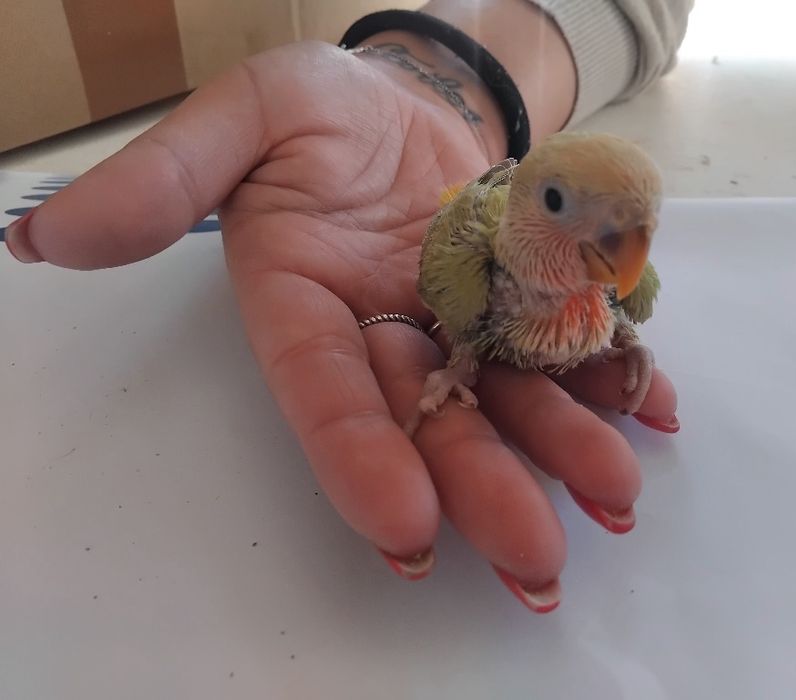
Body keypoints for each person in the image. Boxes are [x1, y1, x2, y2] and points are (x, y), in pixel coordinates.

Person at [4, 0, 692, 612]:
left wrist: (621, 329)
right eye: (556, 203)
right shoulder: (473, 271)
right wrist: (459, 362)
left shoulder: (618, 278)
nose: (620, 256)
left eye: (638, 229)